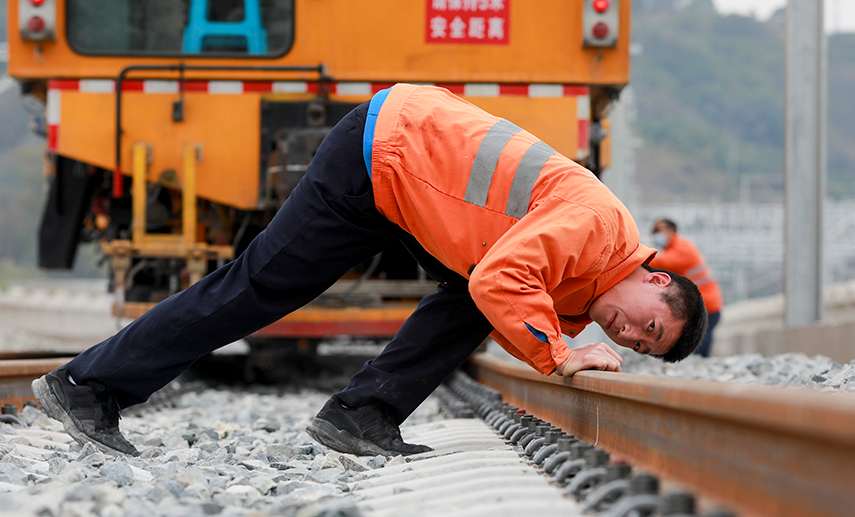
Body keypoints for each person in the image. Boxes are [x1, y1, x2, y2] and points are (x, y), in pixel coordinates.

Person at [32, 84, 707, 458]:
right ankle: (86, 384)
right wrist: (560, 355)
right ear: (654, 278)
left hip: (408, 181)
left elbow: (499, 296)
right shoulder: (598, 225)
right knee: (259, 287)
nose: (627, 334)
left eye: (639, 345)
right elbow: (503, 281)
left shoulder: (590, 282)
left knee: (467, 302)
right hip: (381, 150)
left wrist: (561, 339)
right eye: (647, 324)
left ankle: (361, 413)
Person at [650, 218, 722, 356]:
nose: (656, 234)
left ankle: (697, 370)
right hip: (703, 303)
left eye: (659, 230)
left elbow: (660, 263)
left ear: (672, 231)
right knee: (700, 342)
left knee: (699, 344)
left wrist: (636, 257)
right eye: (654, 231)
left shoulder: (682, 248)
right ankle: (698, 369)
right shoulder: (677, 248)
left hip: (706, 304)